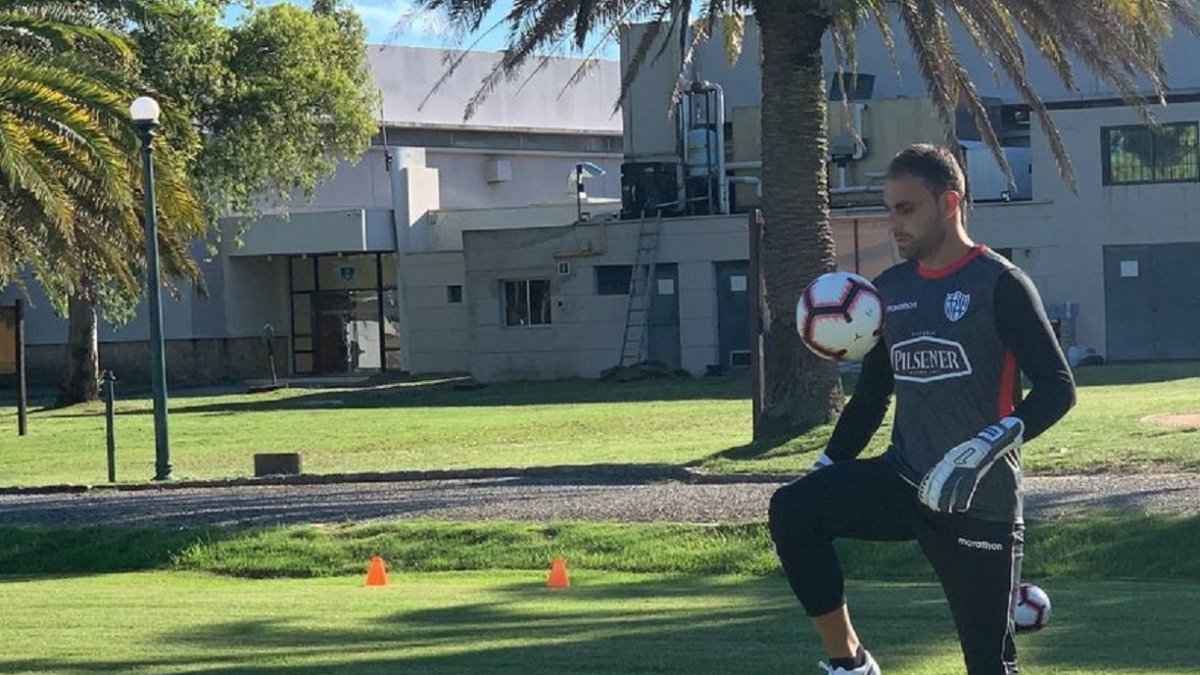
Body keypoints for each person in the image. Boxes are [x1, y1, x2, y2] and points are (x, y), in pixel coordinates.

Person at [768, 143, 1076, 675]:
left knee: (990, 665)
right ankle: (852, 663)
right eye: (888, 209)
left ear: (950, 202)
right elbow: (871, 398)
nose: (894, 223)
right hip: (904, 480)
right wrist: (824, 468)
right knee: (794, 510)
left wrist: (983, 447)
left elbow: (1058, 388)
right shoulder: (888, 291)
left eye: (906, 209)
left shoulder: (1000, 284)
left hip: (977, 501)